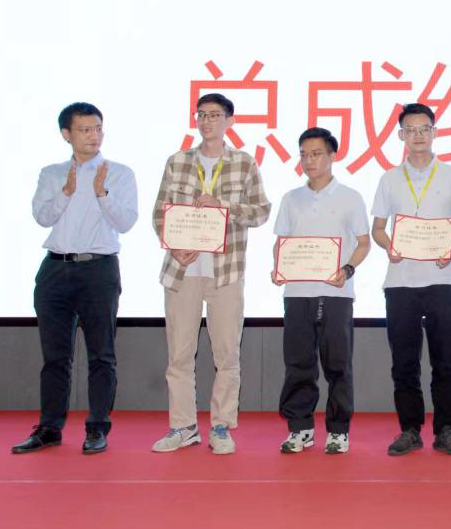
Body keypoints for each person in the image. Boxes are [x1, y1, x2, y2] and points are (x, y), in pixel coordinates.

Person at [149, 93, 271, 455]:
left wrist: (224, 206)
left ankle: (221, 426)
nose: (206, 121)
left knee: (226, 355)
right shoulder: (177, 162)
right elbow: (160, 213)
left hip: (225, 273)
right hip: (182, 271)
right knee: (179, 356)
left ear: (230, 121)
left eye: (215, 115)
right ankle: (183, 427)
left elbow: (261, 212)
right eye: (201, 115)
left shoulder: (244, 163)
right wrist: (173, 246)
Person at [14, 103, 138, 455]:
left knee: (102, 355)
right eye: (84, 130)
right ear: (66, 134)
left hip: (99, 269)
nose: (93, 136)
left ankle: (97, 427)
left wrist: (102, 194)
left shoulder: (119, 173)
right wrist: (66, 191)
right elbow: (42, 217)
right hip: (55, 270)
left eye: (97, 128)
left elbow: (126, 223)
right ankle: (49, 428)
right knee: (55, 357)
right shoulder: (51, 173)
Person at [372, 103, 451, 457]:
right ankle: (410, 429)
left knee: (445, 361)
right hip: (400, 282)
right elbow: (378, 228)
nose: (418, 136)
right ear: (401, 135)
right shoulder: (388, 179)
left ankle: (446, 429)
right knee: (404, 362)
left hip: (442, 280)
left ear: (434, 132)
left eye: (424, 129)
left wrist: (450, 246)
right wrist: (389, 246)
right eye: (411, 130)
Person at [272, 128, 370, 454]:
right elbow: (281, 242)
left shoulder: (350, 197)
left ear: (332, 156)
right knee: (298, 362)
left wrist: (348, 270)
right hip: (297, 292)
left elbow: (363, 243)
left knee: (337, 364)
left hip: (336, 292)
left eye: (316, 154)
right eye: (303, 154)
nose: (309, 161)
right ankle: (300, 428)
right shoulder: (291, 198)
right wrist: (278, 268)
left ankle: (338, 430)